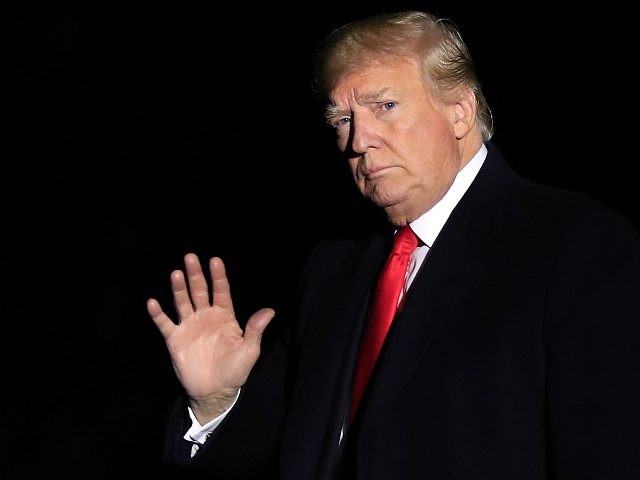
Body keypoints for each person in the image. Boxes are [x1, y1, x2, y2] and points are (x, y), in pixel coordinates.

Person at [146, 10, 640, 479]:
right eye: (341, 120)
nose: (359, 140)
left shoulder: (572, 242)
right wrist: (214, 403)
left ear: (461, 112)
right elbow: (280, 450)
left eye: (385, 106)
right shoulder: (332, 270)